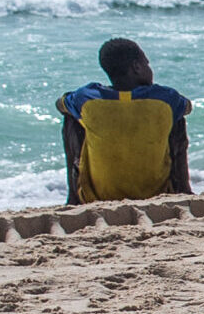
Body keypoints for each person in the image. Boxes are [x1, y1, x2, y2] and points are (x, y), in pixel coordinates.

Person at [58, 38, 193, 204]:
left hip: (99, 196)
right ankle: (183, 189)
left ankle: (73, 198)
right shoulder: (165, 98)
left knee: (72, 117)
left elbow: (60, 104)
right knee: (177, 117)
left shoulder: (86, 98)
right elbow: (187, 107)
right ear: (137, 67)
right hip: (157, 193)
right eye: (147, 64)